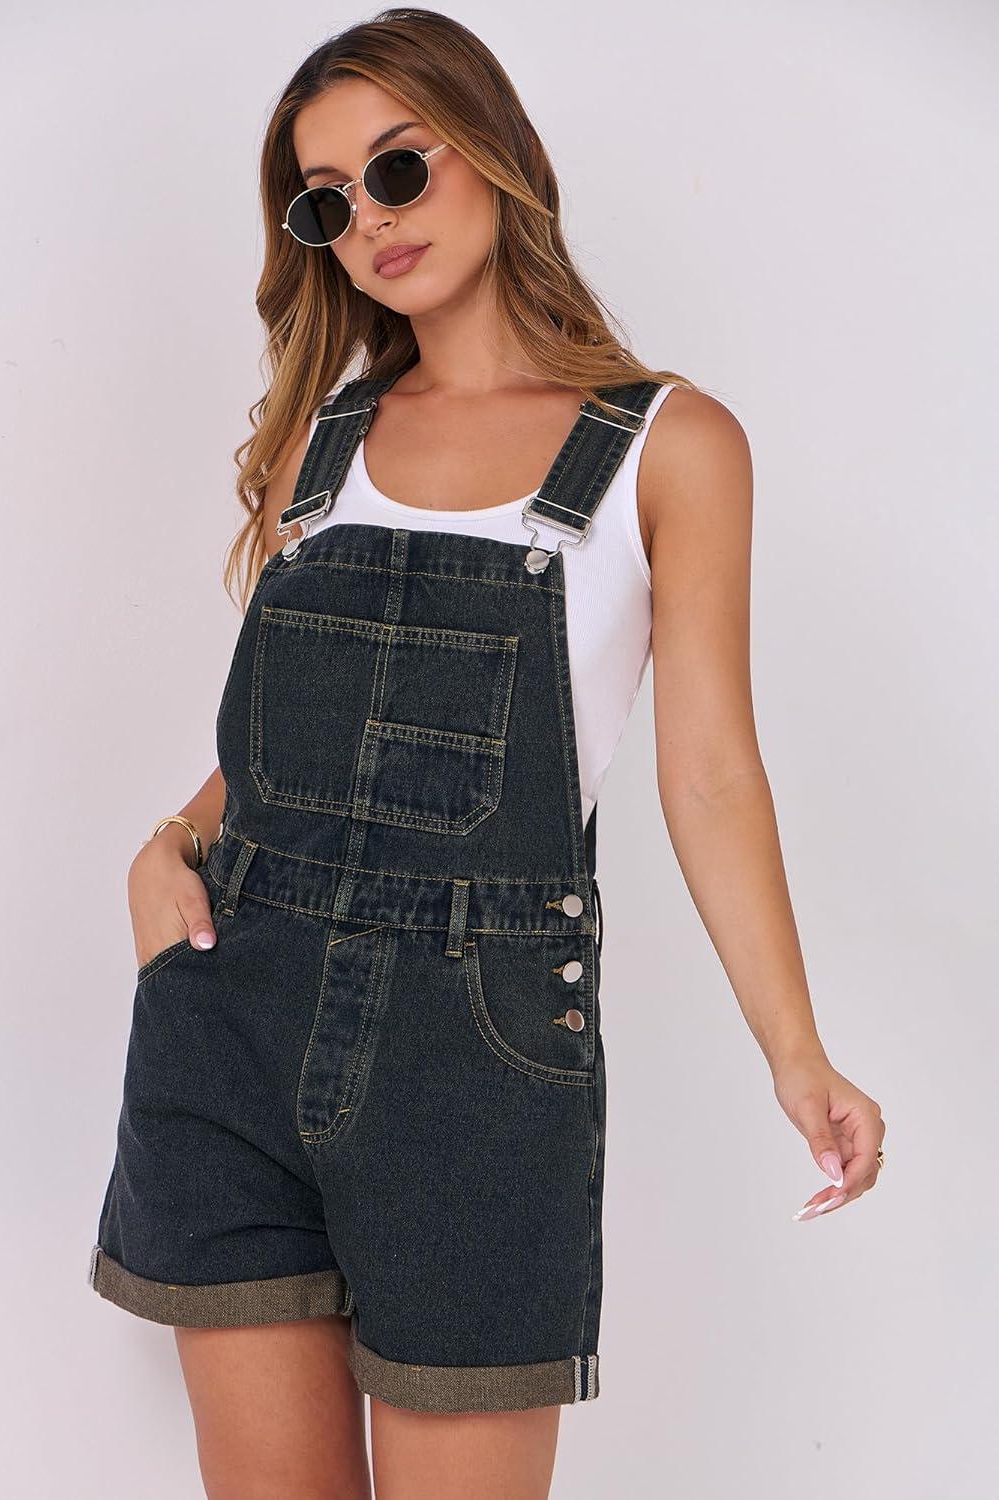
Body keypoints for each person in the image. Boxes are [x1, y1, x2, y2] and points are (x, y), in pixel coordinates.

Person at [88, 10, 886, 1498]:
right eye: (326, 203)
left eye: (399, 168)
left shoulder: (667, 445)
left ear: (495, 150)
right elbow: (281, 738)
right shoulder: (318, 443)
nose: (370, 221)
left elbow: (710, 771)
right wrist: (165, 847)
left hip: (478, 1053)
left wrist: (796, 1052)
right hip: (229, 1024)